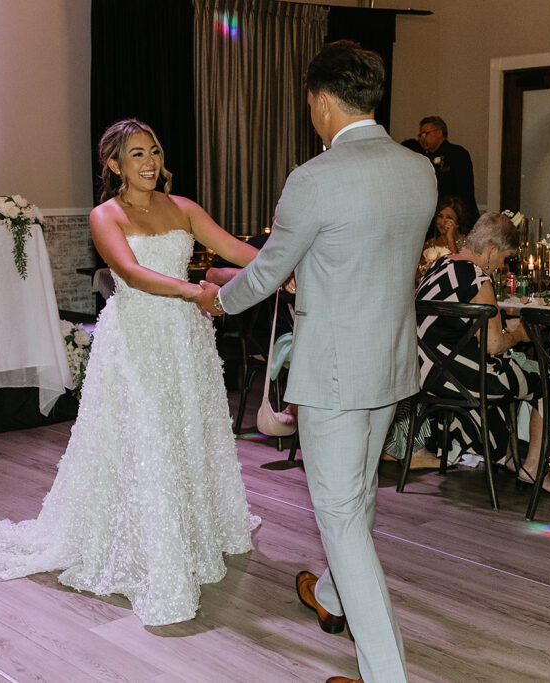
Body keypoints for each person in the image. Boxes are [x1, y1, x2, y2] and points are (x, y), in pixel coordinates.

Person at [198, 40, 435, 683]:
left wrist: (217, 301)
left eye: (310, 106)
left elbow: (269, 270)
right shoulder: (420, 170)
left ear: (324, 101)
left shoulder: (313, 178)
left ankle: (385, 675)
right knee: (358, 494)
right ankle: (331, 596)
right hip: (390, 362)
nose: (312, 117)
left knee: (341, 516)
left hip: (334, 371)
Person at [0, 119, 261, 626]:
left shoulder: (184, 207)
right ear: (114, 164)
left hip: (186, 342)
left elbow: (236, 249)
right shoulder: (105, 215)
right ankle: (152, 549)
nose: (149, 162)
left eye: (154, 151)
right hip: (138, 340)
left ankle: (192, 530)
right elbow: (131, 272)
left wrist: (284, 271)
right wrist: (195, 292)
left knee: (187, 432)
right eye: (137, 154)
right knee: (148, 440)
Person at [413, 212, 550, 494]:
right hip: (461, 381)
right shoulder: (477, 277)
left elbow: (455, 330)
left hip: (424, 377)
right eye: (504, 258)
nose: (501, 266)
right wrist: (521, 333)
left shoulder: (438, 266)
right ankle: (534, 467)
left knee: (503, 370)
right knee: (545, 381)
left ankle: (507, 457)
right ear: (492, 250)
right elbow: (494, 345)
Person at [415, 115, 478, 220]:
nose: (422, 138)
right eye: (420, 135)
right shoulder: (423, 159)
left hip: (457, 216)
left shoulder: (457, 153)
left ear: (439, 133)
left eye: (425, 134)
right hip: (434, 216)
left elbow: (464, 190)